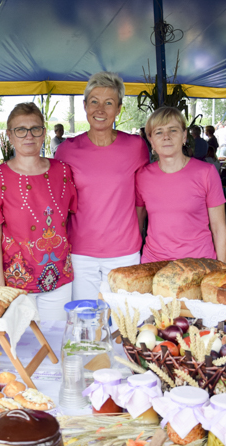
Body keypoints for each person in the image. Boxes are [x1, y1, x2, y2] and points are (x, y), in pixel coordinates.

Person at [54, 71, 149, 300]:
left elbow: (141, 198)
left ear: (118, 109)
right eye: (94, 102)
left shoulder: (135, 146)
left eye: (109, 103)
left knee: (123, 324)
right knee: (86, 322)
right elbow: (59, 200)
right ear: (85, 105)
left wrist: (136, 234)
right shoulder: (66, 150)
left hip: (124, 252)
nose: (100, 110)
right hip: (80, 253)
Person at [0, 103, 77, 320]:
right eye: (20, 130)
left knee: (55, 343)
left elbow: (72, 221)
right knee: (19, 348)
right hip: (14, 282)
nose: (29, 135)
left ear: (44, 133)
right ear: (10, 135)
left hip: (57, 278)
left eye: (35, 129)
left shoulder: (63, 171)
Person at [136, 107, 226, 265]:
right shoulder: (142, 176)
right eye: (159, 132)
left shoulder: (206, 172)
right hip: (154, 264)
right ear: (151, 140)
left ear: (184, 136)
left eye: (173, 130)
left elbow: (219, 229)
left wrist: (222, 272)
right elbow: (137, 224)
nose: (166, 137)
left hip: (199, 265)